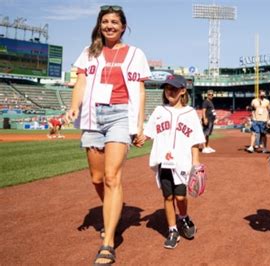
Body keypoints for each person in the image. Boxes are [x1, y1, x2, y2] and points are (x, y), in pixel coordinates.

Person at [65, 5, 150, 265]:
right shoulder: (89, 52)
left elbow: (141, 90)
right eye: (105, 21)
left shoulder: (135, 53)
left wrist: (139, 125)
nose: (109, 26)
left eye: (114, 22)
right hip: (92, 116)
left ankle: (108, 241)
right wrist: (73, 107)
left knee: (113, 177)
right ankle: (113, 208)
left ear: (123, 26)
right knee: (97, 177)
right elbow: (80, 82)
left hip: (120, 115)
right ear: (100, 25)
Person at [144, 75, 205, 249]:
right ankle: (172, 230)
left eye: (174, 88)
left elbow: (195, 141)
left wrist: (196, 163)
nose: (169, 91)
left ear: (183, 90)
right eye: (167, 87)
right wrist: (140, 138)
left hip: (183, 163)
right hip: (164, 162)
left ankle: (183, 216)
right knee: (168, 196)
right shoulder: (159, 111)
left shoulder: (191, 113)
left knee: (180, 196)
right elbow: (148, 132)